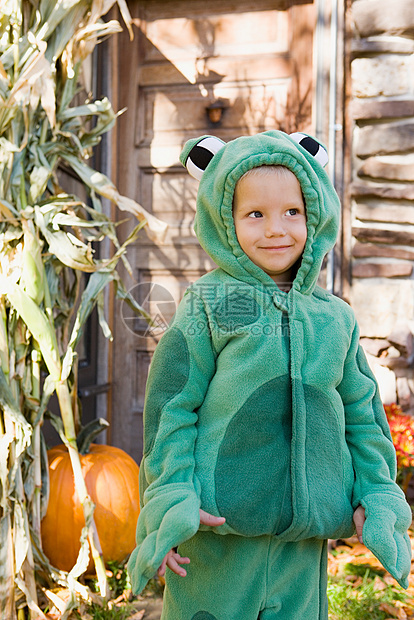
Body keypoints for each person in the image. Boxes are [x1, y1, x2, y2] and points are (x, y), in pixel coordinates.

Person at [127, 131, 412, 619]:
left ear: (315, 215)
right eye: (254, 214)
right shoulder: (209, 305)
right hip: (215, 534)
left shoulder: (334, 318)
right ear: (225, 219)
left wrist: (375, 493)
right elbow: (170, 409)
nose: (276, 229)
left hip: (301, 546)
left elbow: (364, 420)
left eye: (293, 212)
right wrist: (172, 499)